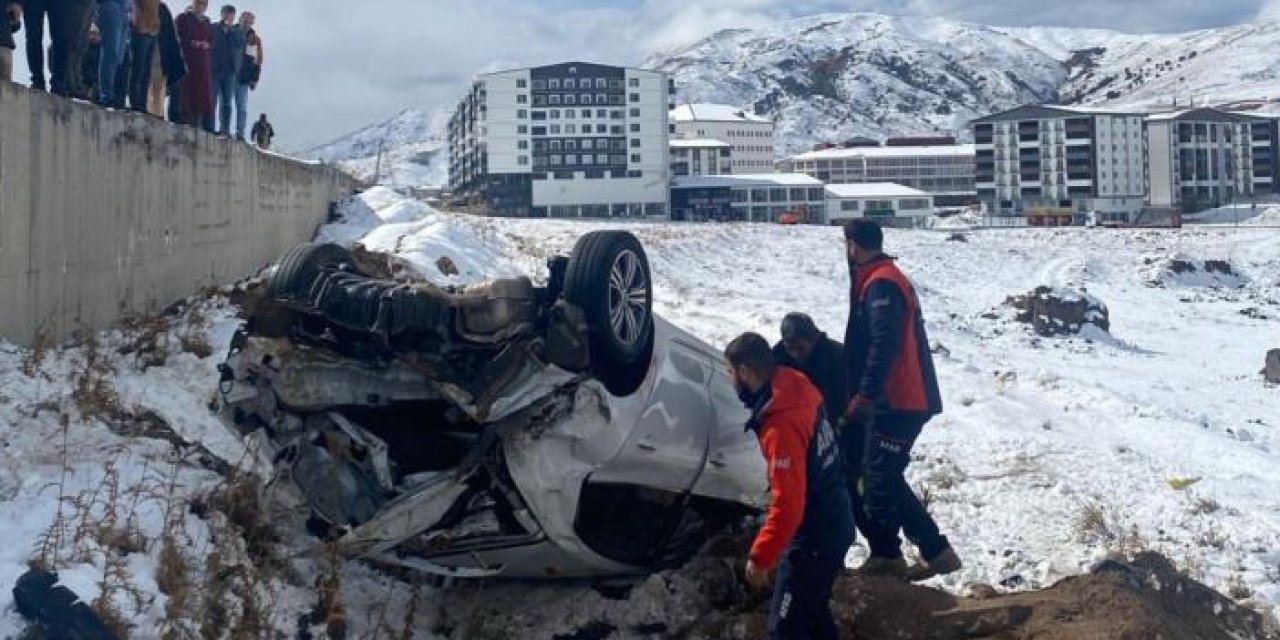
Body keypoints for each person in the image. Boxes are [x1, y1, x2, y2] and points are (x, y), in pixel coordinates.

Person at [841, 219, 960, 582]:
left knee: (877, 476)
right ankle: (935, 551)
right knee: (884, 475)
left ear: (853, 245)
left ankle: (888, 556)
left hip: (900, 399)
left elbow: (883, 344)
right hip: (899, 397)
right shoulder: (881, 278)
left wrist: (865, 395)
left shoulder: (881, 284)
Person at [726, 333, 853, 640]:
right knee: (813, 615)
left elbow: (789, 503)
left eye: (729, 372)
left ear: (744, 372)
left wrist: (761, 556)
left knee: (784, 629)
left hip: (814, 537)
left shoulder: (780, 425)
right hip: (836, 517)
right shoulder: (794, 386)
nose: (729, 380)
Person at [175, 0, 214, 131]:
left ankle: (201, 122)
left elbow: (211, 40)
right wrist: (191, 43)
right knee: (187, 89)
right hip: (187, 59)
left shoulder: (207, 22)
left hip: (203, 62)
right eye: (198, 3)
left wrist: (207, 45)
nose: (200, 6)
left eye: (203, 4)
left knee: (203, 91)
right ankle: (184, 118)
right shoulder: (183, 18)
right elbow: (177, 36)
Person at [210, 3, 244, 137]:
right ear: (222, 14)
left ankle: (225, 129)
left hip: (230, 71)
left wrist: (231, 30)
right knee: (212, 100)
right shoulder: (213, 28)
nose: (229, 17)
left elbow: (240, 43)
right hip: (215, 69)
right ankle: (210, 127)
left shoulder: (237, 32)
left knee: (227, 102)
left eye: (231, 15)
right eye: (227, 14)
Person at [95, 0, 131, 106]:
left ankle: (114, 97)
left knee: (119, 57)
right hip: (111, 4)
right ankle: (106, 96)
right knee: (111, 52)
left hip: (125, 8)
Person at [127, 0, 159, 111]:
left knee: (146, 71)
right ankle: (135, 103)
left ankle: (142, 104)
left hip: (152, 32)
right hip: (141, 29)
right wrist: (139, 23)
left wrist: (155, 26)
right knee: (138, 68)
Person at [234, 10, 259, 139]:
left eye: (250, 21)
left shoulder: (254, 39)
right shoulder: (231, 32)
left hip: (243, 78)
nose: (247, 23)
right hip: (228, 74)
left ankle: (240, 133)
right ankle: (224, 129)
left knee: (242, 107)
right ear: (240, 19)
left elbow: (257, 61)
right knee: (224, 104)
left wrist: (254, 79)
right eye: (245, 20)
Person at [2, 0, 20, 84]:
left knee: (6, 88)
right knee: (6, 87)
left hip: (5, 44)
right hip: (5, 44)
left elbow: (16, 25)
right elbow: (16, 25)